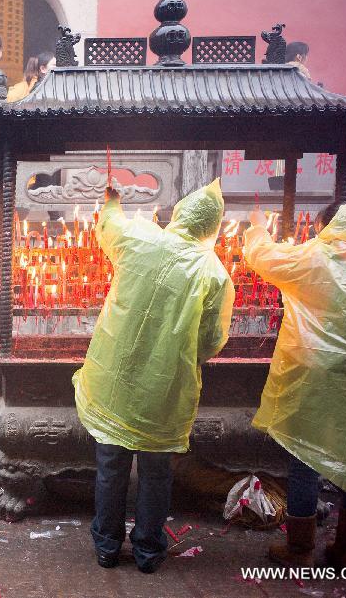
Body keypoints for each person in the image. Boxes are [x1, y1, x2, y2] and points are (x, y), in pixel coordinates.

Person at [73, 178, 234, 574]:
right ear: (212, 227)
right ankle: (148, 552)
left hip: (115, 381)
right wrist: (178, 354)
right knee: (156, 475)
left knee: (110, 467)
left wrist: (111, 201)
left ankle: (107, 548)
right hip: (163, 389)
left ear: (179, 215)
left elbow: (111, 224)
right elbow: (212, 341)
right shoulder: (214, 275)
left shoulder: (142, 238)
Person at [243, 201, 346, 568]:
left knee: (304, 456)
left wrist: (258, 227)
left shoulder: (323, 255)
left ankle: (299, 550)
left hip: (322, 373)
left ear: (329, 225)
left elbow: (264, 258)